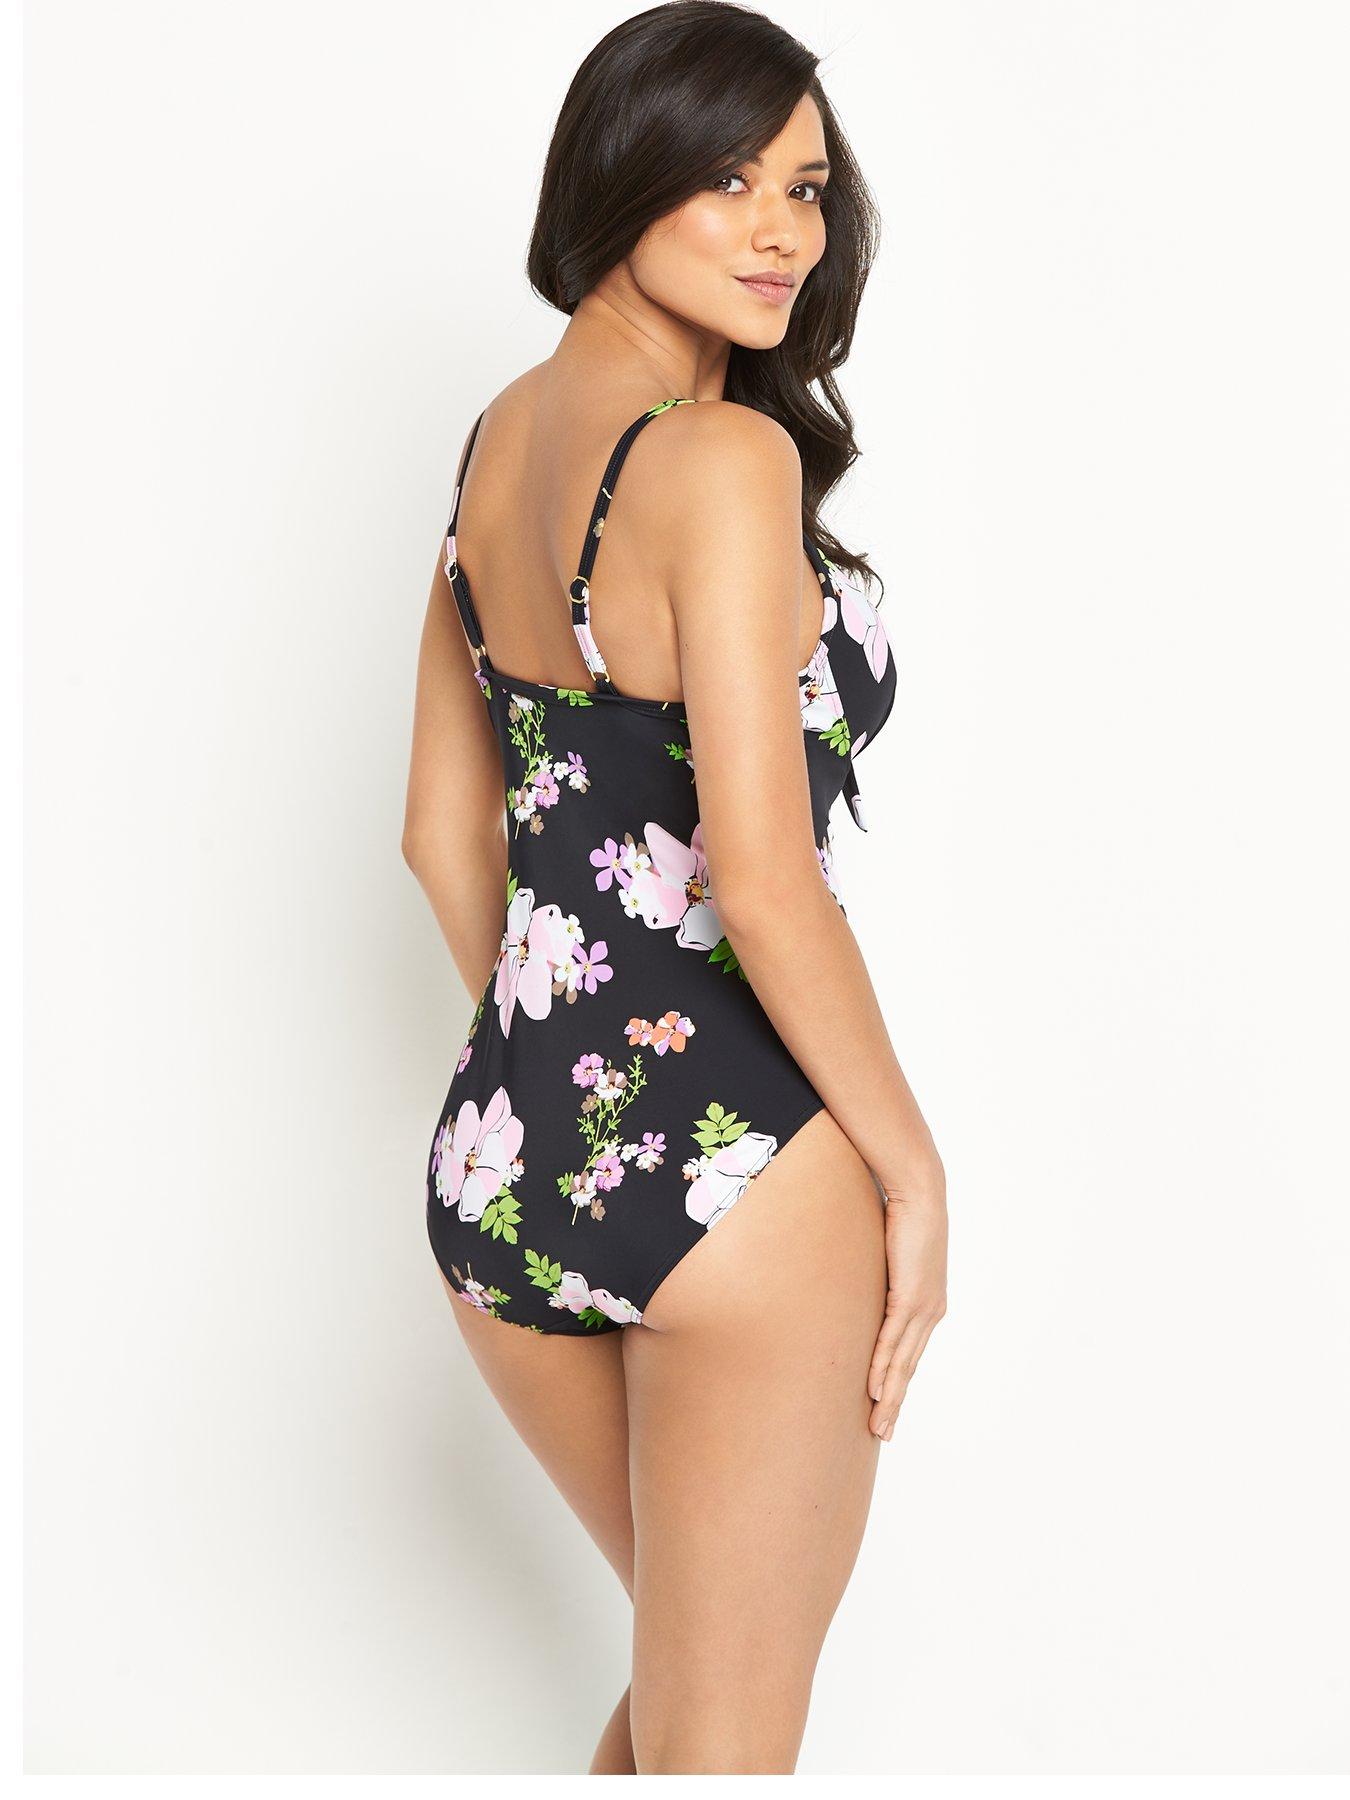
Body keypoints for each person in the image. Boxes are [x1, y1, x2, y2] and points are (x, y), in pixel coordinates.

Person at [402, 1, 947, 1774]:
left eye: (806, 187)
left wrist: (567, 1072)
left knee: (684, 1720)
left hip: (505, 1160)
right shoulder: (724, 461)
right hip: (740, 1176)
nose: (782, 229)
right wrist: (912, 1169)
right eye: (728, 180)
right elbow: (764, 887)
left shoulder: (499, 437)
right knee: (726, 1747)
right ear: (620, 174)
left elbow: (440, 834)